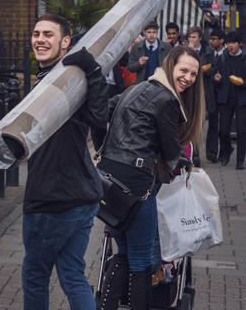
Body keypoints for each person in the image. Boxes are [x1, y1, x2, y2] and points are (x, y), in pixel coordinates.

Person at [0, 13, 108, 310]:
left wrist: (93, 71)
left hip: (52, 200)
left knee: (35, 276)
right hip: (83, 195)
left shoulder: (66, 81)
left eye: (49, 34)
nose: (40, 40)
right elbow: (17, 136)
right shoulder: (52, 80)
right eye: (36, 34)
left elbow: (99, 118)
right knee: (73, 275)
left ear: (66, 42)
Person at [97, 46, 205, 310]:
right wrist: (178, 162)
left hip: (109, 183)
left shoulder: (136, 88)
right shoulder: (167, 99)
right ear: (170, 67)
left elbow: (102, 115)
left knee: (122, 253)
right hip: (138, 186)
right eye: (183, 70)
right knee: (142, 261)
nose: (188, 78)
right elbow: (170, 151)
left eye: (193, 73)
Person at [214, 31, 246, 170]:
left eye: (233, 43)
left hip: (242, 99)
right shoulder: (222, 57)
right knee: (224, 131)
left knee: (242, 130)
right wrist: (217, 78)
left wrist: (243, 82)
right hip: (225, 98)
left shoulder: (245, 57)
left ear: (239, 44)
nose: (230, 45)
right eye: (228, 43)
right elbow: (216, 75)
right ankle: (227, 151)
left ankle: (240, 161)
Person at [187, 25, 215, 166]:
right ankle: (194, 154)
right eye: (189, 37)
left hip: (203, 91)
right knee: (190, 122)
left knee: (200, 123)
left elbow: (214, 68)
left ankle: (197, 153)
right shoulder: (185, 51)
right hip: (189, 90)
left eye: (193, 37)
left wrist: (206, 70)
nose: (191, 39)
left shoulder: (209, 51)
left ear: (199, 38)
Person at [206, 29, 226, 163]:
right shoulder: (209, 54)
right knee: (213, 123)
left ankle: (224, 152)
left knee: (224, 126)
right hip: (212, 94)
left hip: (225, 94)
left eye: (214, 39)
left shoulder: (227, 54)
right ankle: (211, 152)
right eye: (211, 39)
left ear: (221, 40)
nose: (212, 41)